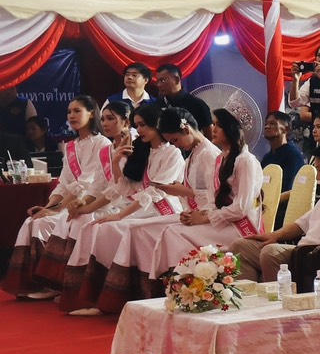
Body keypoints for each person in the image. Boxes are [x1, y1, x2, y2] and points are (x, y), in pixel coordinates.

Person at [67, 108, 220, 316]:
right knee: (99, 227)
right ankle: (98, 296)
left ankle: (128, 297)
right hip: (151, 209)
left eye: (143, 125)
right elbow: (125, 188)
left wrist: (120, 215)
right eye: (137, 125)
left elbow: (156, 193)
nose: (139, 130)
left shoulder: (181, 153)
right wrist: (116, 162)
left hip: (163, 209)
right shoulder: (148, 151)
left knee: (125, 230)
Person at [5, 96, 110, 299]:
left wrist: (56, 210)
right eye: (69, 112)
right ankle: (34, 283)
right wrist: (48, 207)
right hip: (69, 202)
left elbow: (86, 183)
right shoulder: (70, 146)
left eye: (77, 111)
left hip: (90, 203)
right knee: (32, 221)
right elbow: (63, 183)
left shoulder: (102, 143)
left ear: (91, 113)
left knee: (45, 223)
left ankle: (52, 284)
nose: (71, 115)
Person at [232, 143, 320, 282]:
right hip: (305, 253)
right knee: (240, 246)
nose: (318, 178)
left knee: (271, 253)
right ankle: (250, 294)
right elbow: (300, 224)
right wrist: (274, 235)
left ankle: (277, 297)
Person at [151, 108, 265, 274]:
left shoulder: (246, 161)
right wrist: (198, 215)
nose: (213, 129)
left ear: (231, 128)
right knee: (171, 231)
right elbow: (213, 200)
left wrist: (205, 218)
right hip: (224, 222)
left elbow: (241, 208)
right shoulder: (220, 159)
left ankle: (185, 281)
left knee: (174, 234)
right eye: (214, 124)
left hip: (240, 227)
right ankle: (181, 281)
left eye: (219, 125)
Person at [154, 64, 212, 134]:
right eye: (157, 81)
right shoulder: (158, 104)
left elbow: (210, 135)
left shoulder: (197, 104)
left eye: (163, 80)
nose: (159, 85)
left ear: (176, 80)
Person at [259, 111, 304, 194]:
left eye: (272, 123)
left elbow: (289, 190)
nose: (267, 127)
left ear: (286, 129)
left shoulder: (293, 156)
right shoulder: (267, 157)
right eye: (266, 124)